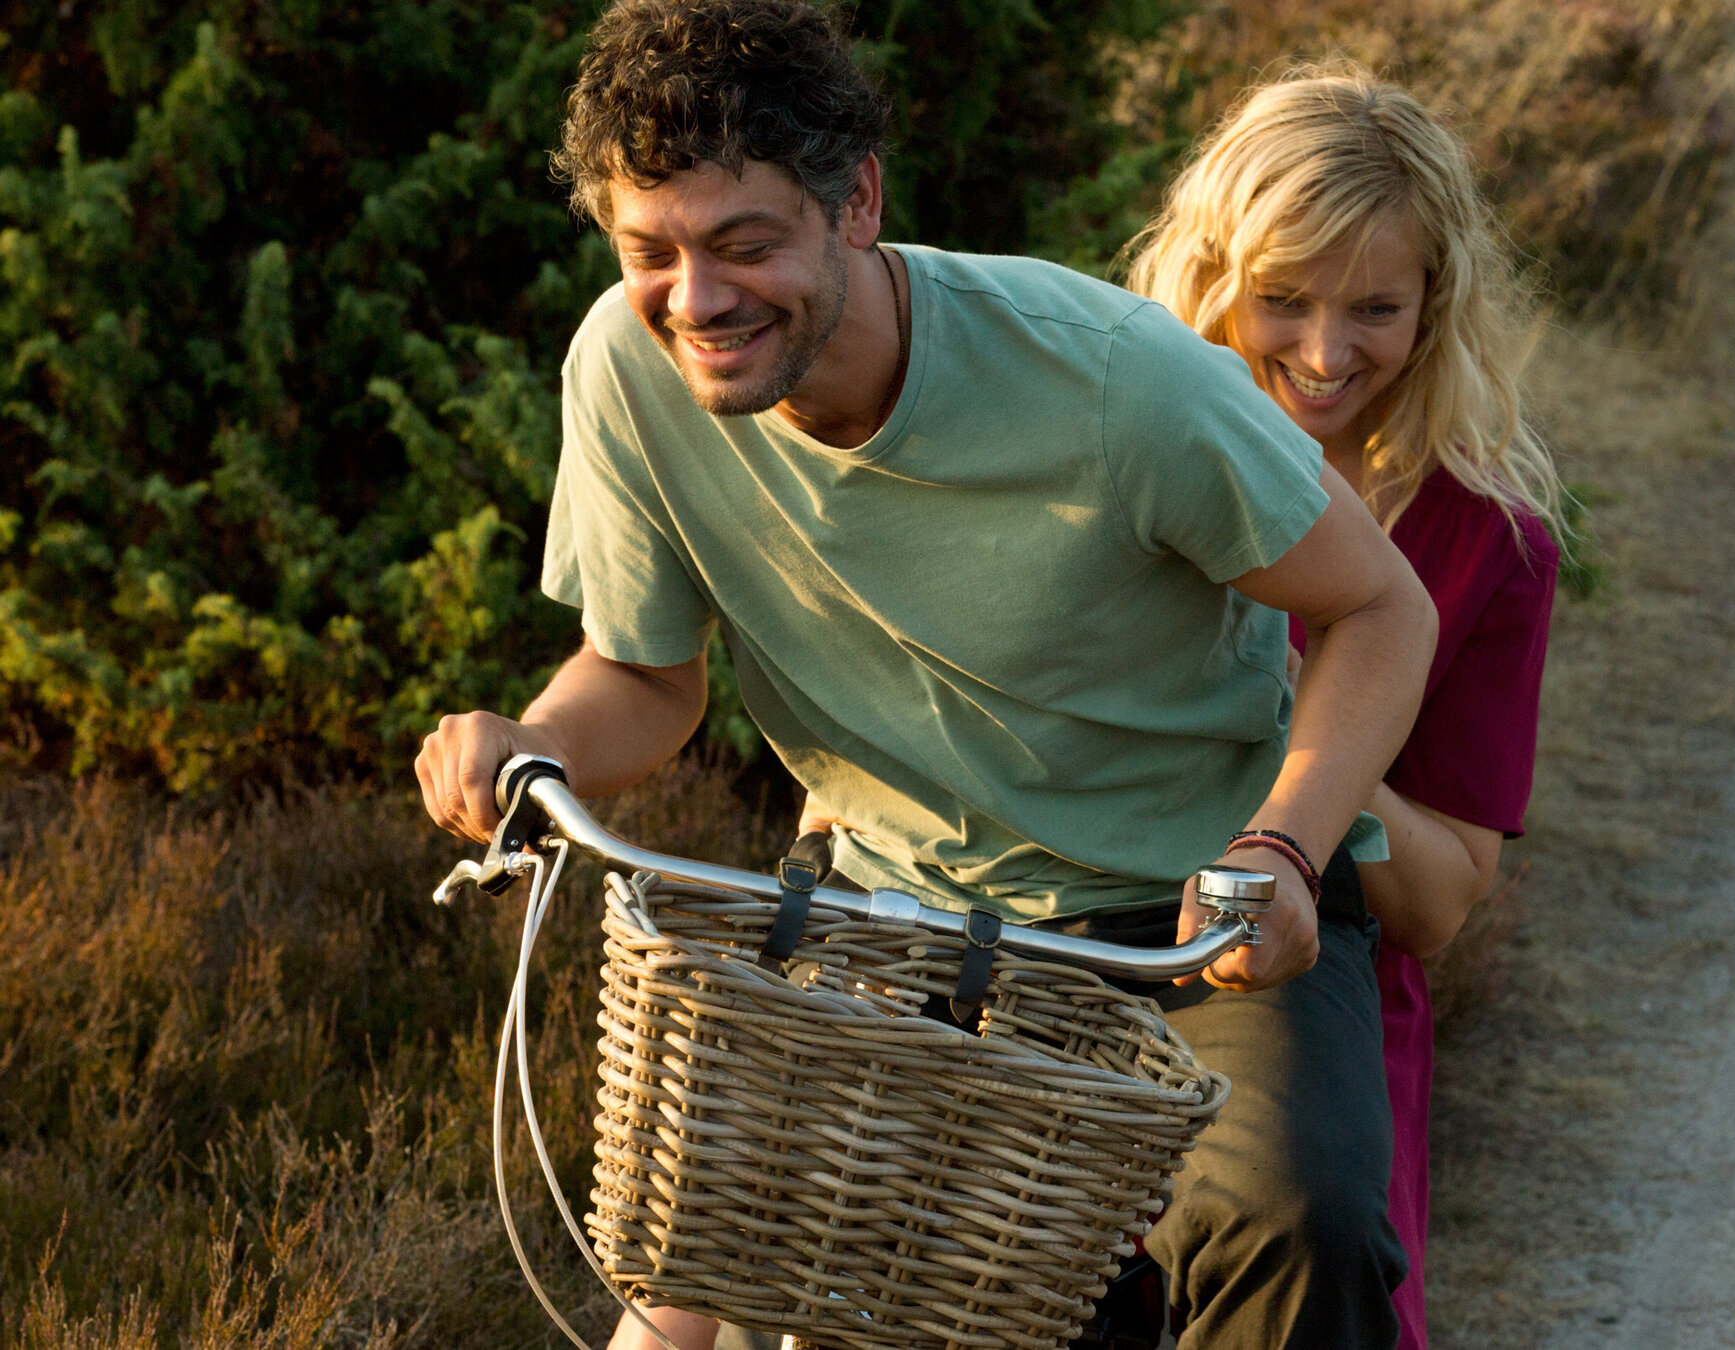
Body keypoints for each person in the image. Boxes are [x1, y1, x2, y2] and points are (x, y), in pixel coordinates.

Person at [409, 3, 1434, 1348]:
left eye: (743, 243)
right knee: (757, 1270)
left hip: (1194, 913)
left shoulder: (1112, 377)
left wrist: (1288, 853)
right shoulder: (625, 363)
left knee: (1295, 1225)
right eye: (647, 248)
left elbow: (1380, 608)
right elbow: (646, 680)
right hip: (892, 911)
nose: (695, 299)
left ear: (855, 204)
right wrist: (526, 743)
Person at [1128, 70, 1563, 1350]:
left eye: (1374, 307)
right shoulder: (1118, 451)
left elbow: (1436, 900)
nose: (1326, 355)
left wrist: (1310, 751)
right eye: (1281, 301)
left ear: (1437, 303)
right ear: (1210, 278)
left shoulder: (1488, 537)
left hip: (1331, 1026)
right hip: (1074, 977)